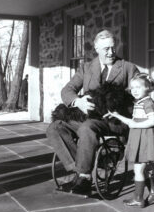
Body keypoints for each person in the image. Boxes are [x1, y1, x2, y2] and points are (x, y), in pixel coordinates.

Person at [46, 29, 139, 194]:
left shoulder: (128, 68)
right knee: (55, 127)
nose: (111, 52)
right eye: (106, 49)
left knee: (87, 127)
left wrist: (120, 105)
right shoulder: (87, 67)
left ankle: (85, 176)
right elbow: (67, 90)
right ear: (96, 48)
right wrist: (78, 101)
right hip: (89, 117)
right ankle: (80, 169)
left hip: (114, 121)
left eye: (112, 48)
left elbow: (139, 95)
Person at [104, 73, 154, 208]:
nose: (134, 90)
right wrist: (117, 115)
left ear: (147, 88)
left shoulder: (148, 103)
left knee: (138, 170)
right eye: (132, 88)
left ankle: (138, 198)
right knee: (145, 169)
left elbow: (153, 121)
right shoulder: (140, 102)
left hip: (145, 140)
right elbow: (132, 121)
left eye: (138, 87)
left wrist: (135, 125)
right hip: (140, 138)